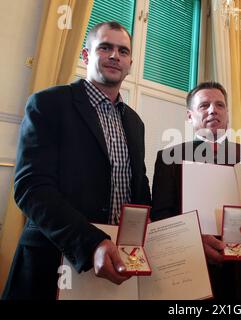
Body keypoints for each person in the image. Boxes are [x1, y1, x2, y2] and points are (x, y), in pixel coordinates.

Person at [2, 21, 151, 300]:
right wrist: (91, 242)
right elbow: (31, 188)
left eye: (123, 51)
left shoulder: (135, 122)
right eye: (105, 47)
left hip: (115, 268)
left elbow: (139, 190)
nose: (114, 56)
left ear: (130, 62)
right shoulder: (48, 104)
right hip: (52, 262)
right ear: (86, 55)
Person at [151, 81, 241, 300]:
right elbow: (161, 216)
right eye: (204, 105)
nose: (212, 110)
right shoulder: (169, 157)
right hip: (191, 269)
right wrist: (193, 241)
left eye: (219, 105)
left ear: (227, 114)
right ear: (190, 116)